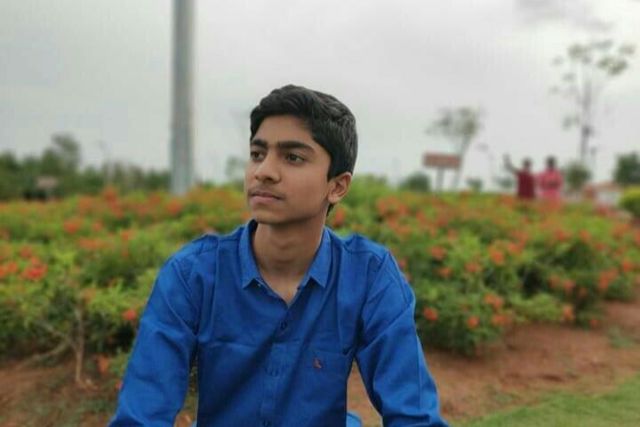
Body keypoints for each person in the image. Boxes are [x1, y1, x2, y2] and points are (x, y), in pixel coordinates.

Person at [109, 84, 448, 427]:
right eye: (258, 154)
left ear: (337, 186)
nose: (264, 171)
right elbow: (141, 416)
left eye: (293, 157)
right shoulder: (192, 275)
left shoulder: (369, 276)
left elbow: (414, 416)